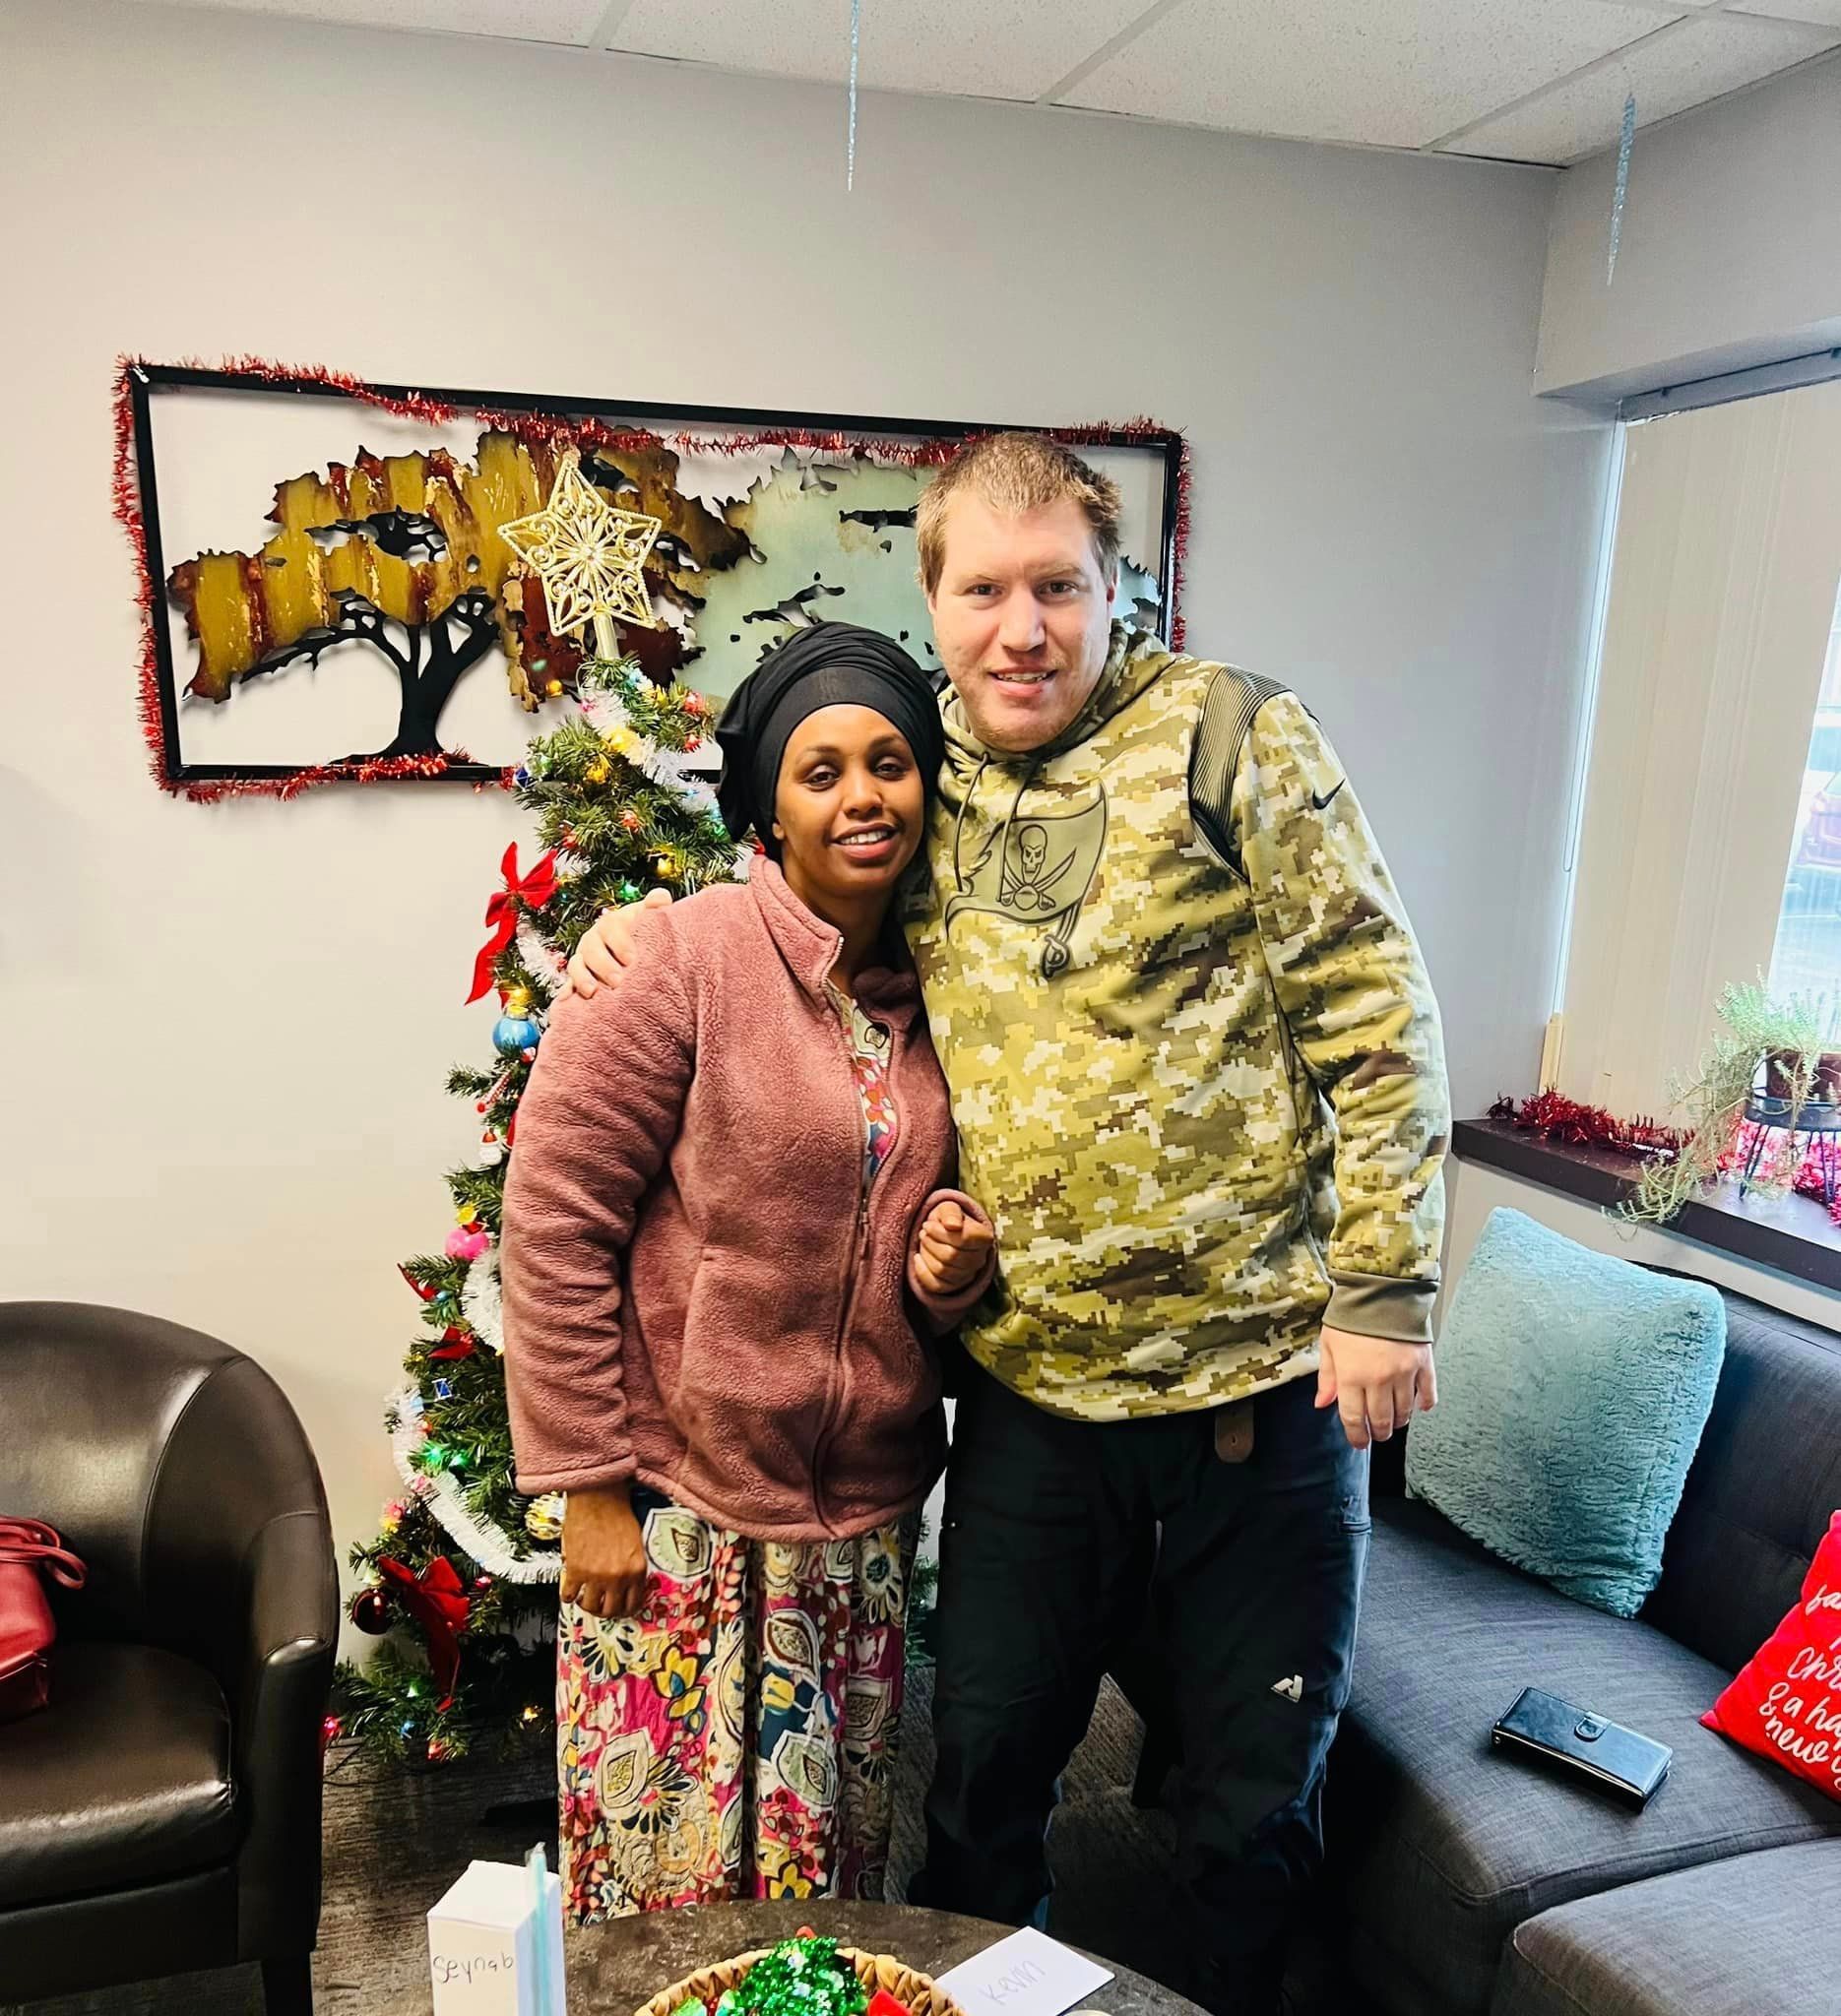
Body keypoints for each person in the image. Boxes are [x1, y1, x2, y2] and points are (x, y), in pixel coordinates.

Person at [568, 434, 1449, 2013]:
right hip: (1033, 1409)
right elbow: (802, 887)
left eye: (1058, 587)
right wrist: (642, 924)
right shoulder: (934, 775)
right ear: (936, 601)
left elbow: (1374, 1013)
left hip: (1255, 1408)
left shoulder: (1233, 736)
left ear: (1120, 591)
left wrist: (1382, 1290)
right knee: (976, 1797)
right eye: (984, 591)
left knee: (1249, 1816)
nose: (1021, 628)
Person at [501, 622, 996, 1922]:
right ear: (768, 806)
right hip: (678, 1509)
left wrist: (943, 1266)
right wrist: (588, 1490)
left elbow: (903, 1234)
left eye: (888, 762)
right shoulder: (679, 956)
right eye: (819, 770)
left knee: (822, 1878)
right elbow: (553, 1227)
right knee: (663, 1877)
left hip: (857, 1527)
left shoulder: (944, 987)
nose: (862, 796)